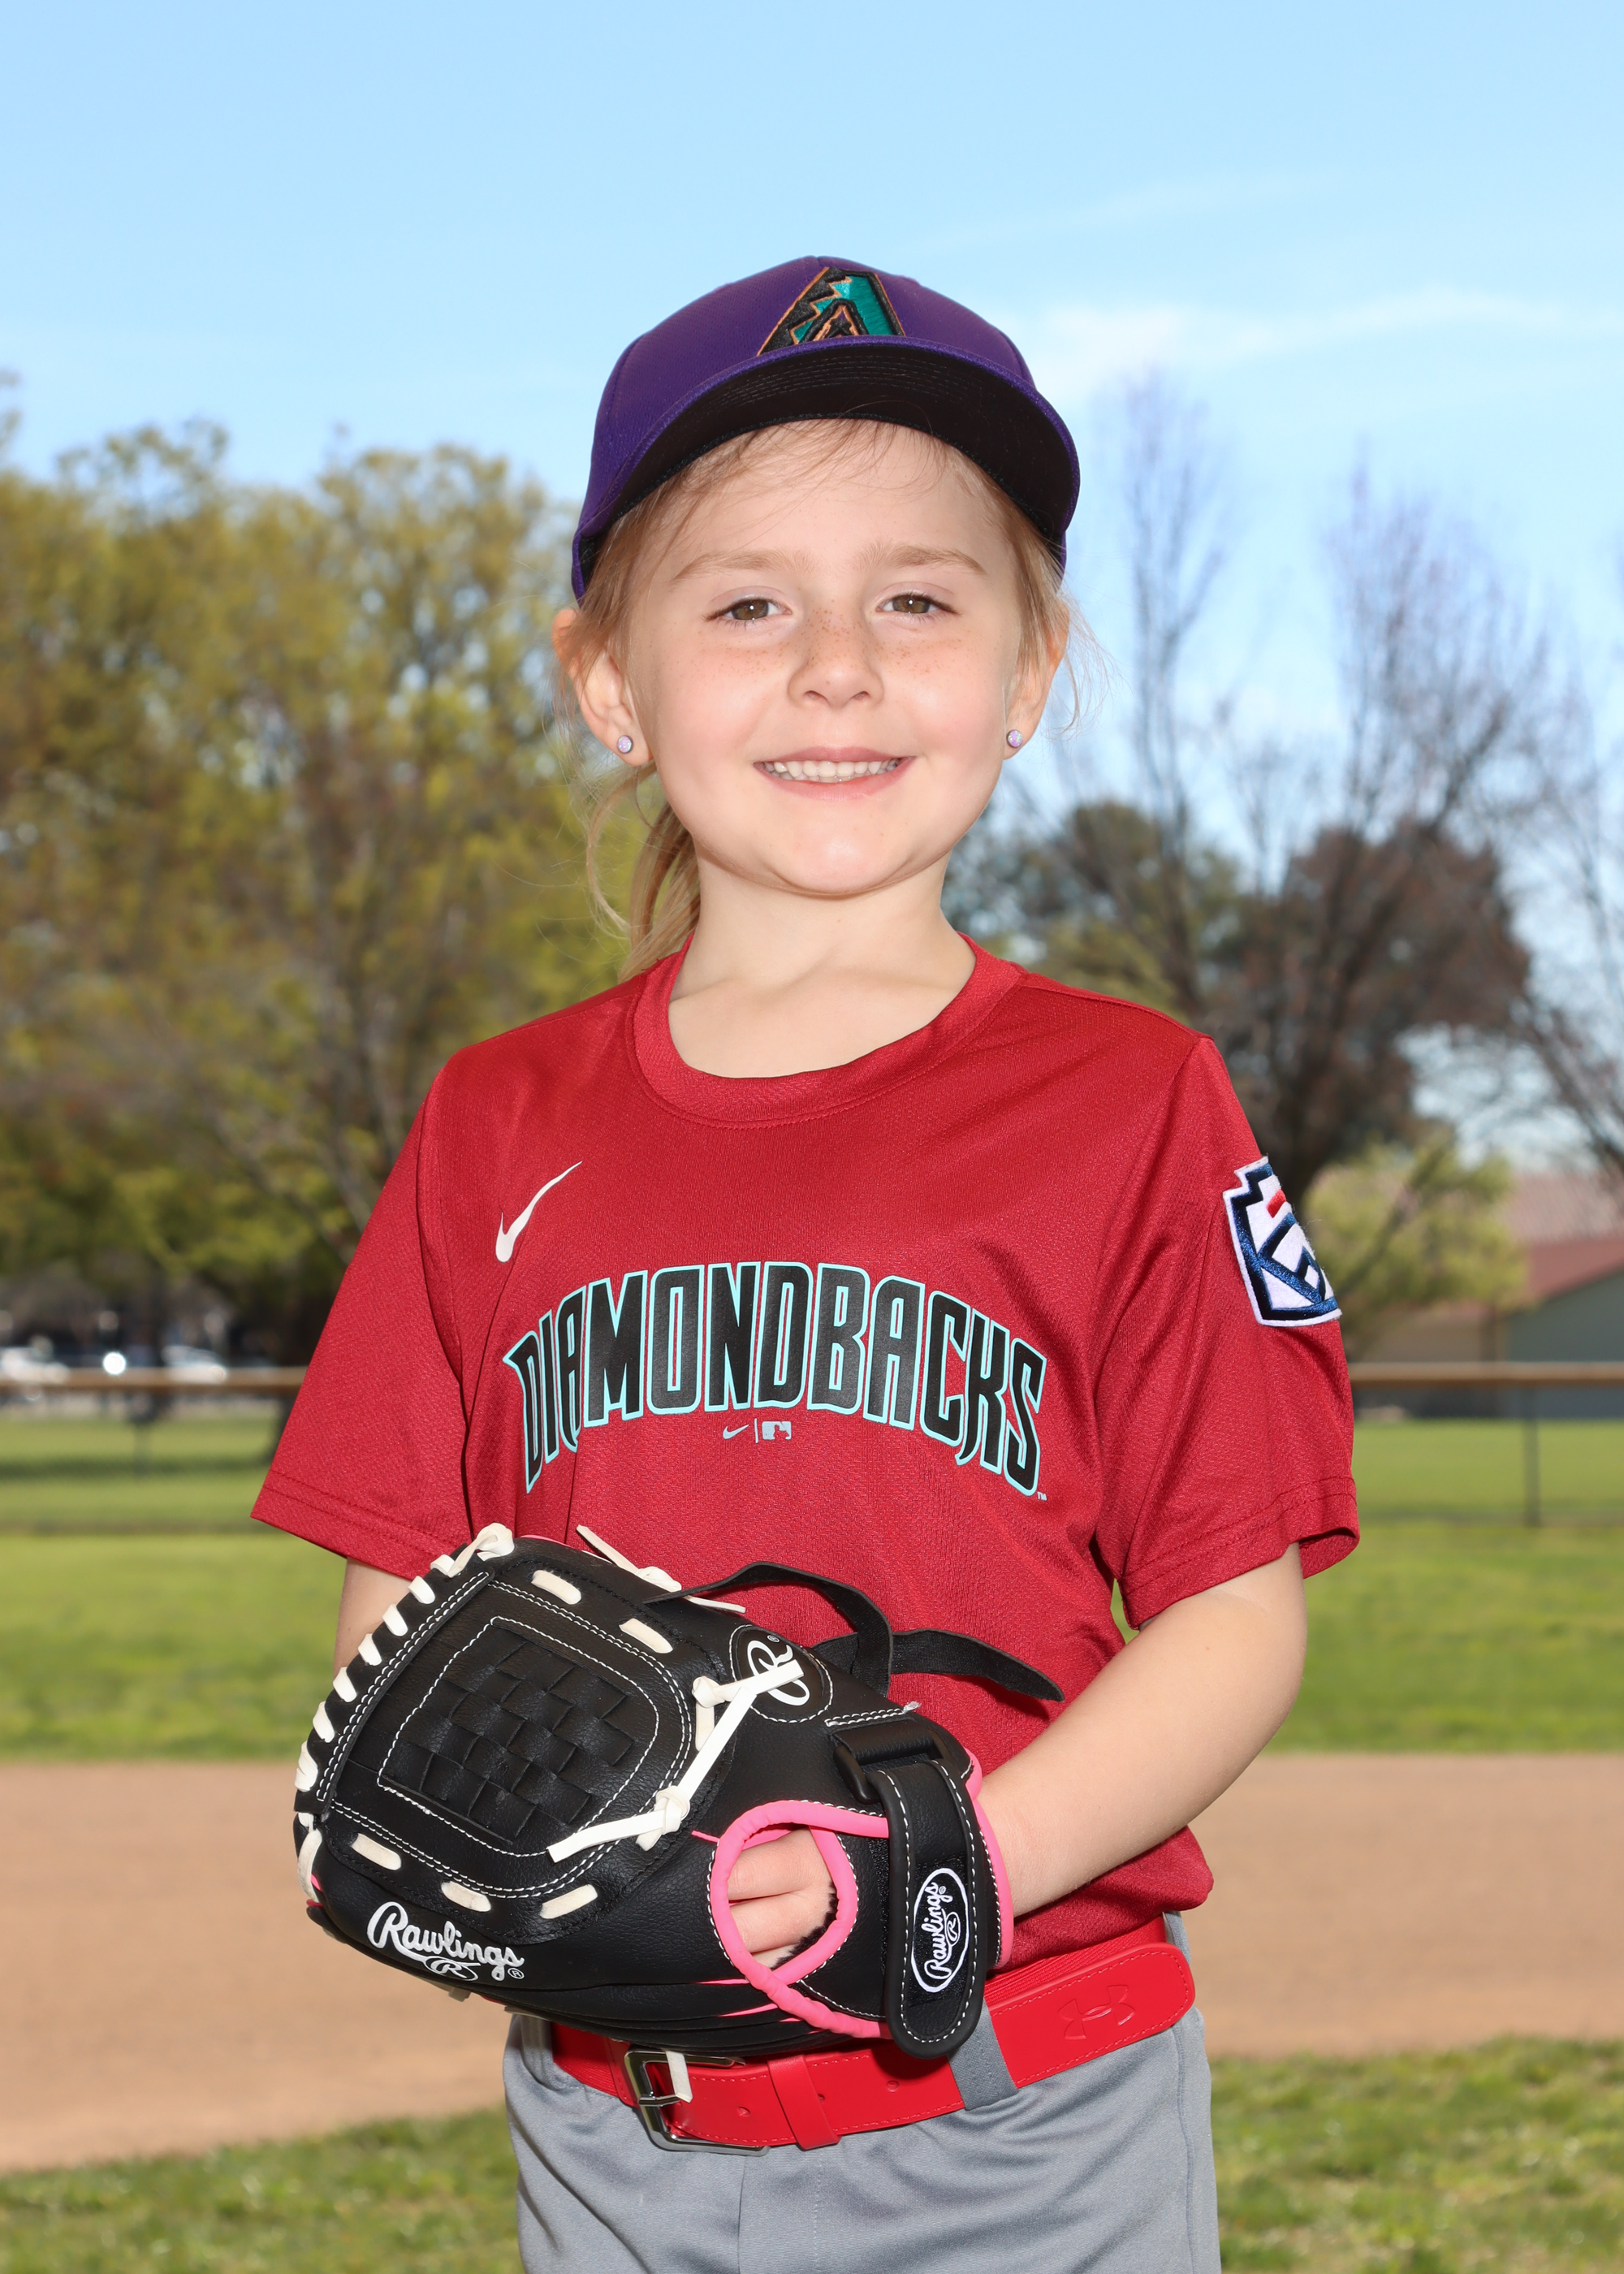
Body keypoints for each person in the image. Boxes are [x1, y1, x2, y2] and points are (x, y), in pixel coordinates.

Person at [254, 257, 1358, 2273]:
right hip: (614, 2122)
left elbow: (1231, 1614)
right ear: (607, 677)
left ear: (1028, 668)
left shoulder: (1131, 1099)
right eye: (747, 602)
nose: (836, 666)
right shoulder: (496, 1121)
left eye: (918, 599)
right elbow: (405, 1613)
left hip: (1021, 2101)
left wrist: (946, 1859)